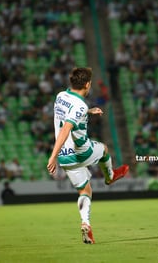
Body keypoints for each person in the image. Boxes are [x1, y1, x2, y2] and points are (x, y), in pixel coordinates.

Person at [47, 67, 129, 244]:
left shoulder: (61, 96)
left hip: (65, 157)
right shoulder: (80, 105)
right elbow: (66, 128)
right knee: (105, 149)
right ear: (87, 84)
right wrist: (51, 156)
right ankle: (111, 176)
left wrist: (89, 111)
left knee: (85, 190)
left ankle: (86, 224)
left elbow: (67, 115)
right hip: (80, 152)